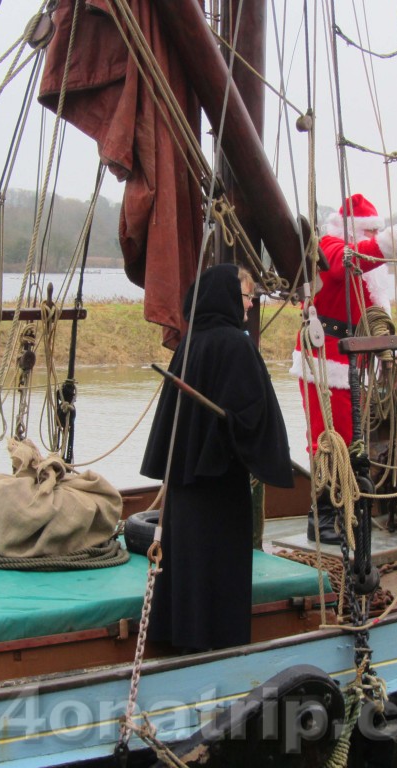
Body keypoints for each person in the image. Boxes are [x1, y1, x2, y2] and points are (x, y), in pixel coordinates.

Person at [141, 263, 293, 651]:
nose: (249, 305)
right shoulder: (236, 345)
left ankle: (180, 635)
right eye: (246, 297)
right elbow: (253, 415)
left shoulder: (188, 344)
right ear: (227, 298)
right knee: (221, 566)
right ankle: (220, 643)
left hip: (185, 484)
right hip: (221, 483)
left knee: (186, 564)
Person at [290, 194, 397, 544]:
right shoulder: (330, 246)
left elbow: (376, 319)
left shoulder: (368, 273)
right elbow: (342, 264)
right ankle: (321, 517)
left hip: (351, 360)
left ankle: (343, 512)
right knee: (327, 439)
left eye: (375, 232)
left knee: (352, 439)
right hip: (322, 359)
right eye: (368, 232)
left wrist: (394, 360)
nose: (371, 237)